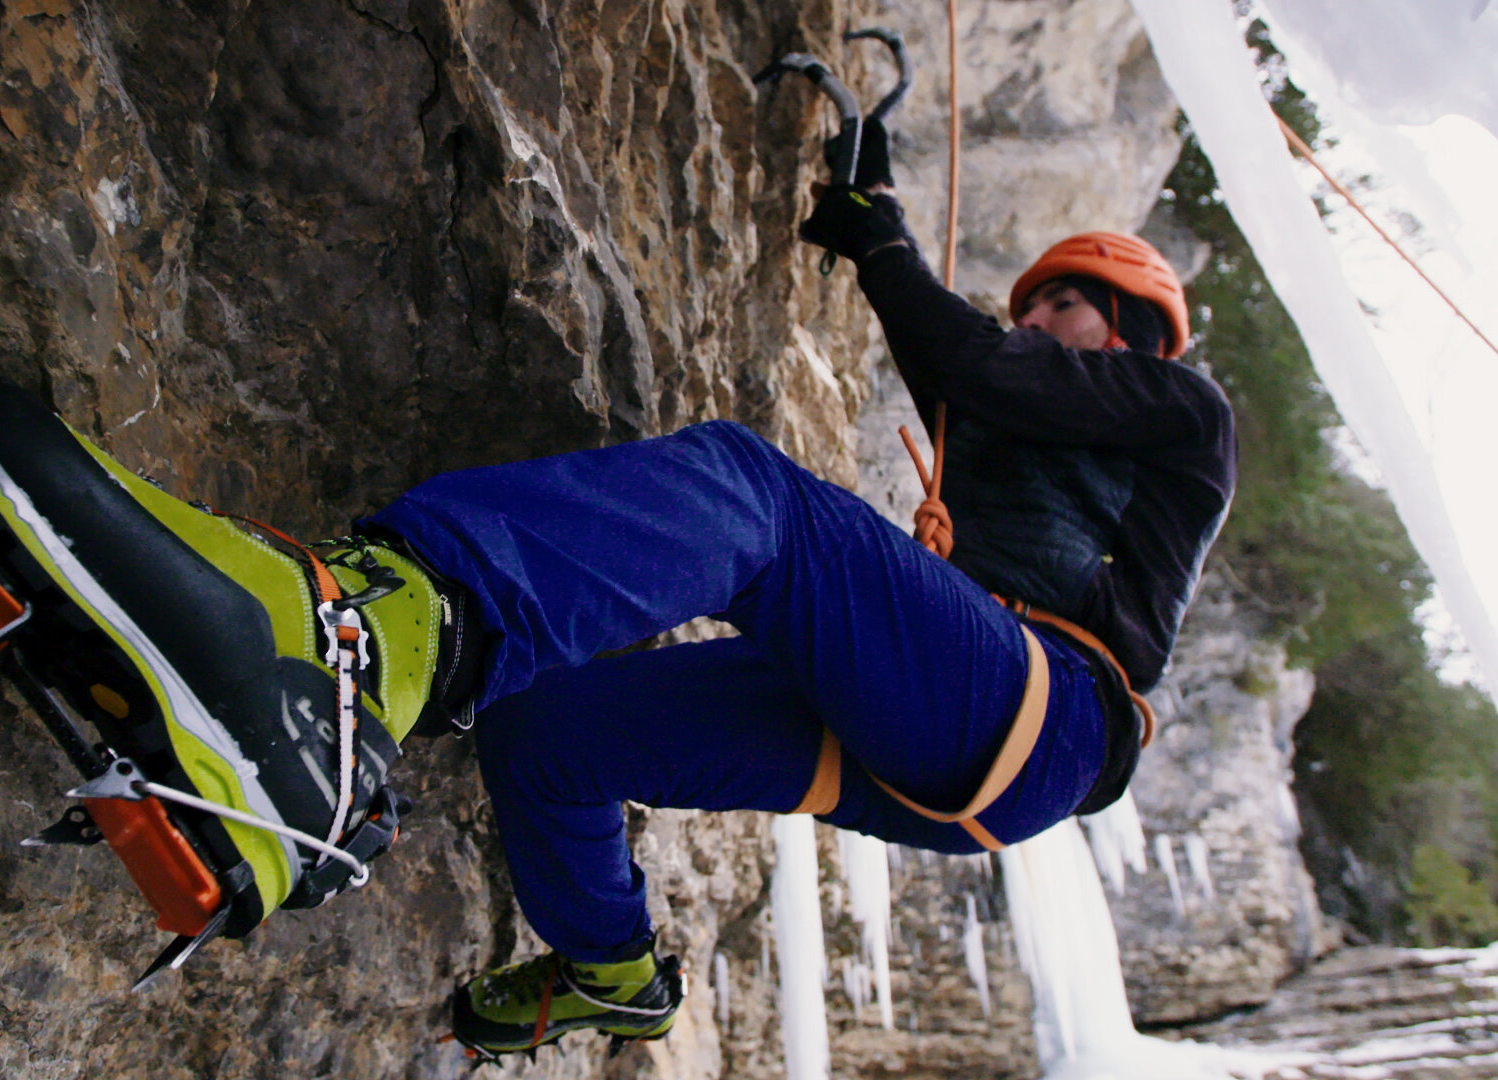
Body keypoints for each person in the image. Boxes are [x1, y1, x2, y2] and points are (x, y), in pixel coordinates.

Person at [354, 123, 1235, 1058]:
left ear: (1133, 326)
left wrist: (882, 240)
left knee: (754, 493)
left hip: (1049, 709)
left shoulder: (1190, 413)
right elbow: (966, 365)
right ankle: (609, 969)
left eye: (1060, 303)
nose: (1033, 322)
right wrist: (878, 225)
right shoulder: (1029, 421)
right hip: (943, 730)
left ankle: (400, 601)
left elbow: (974, 365)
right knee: (545, 731)